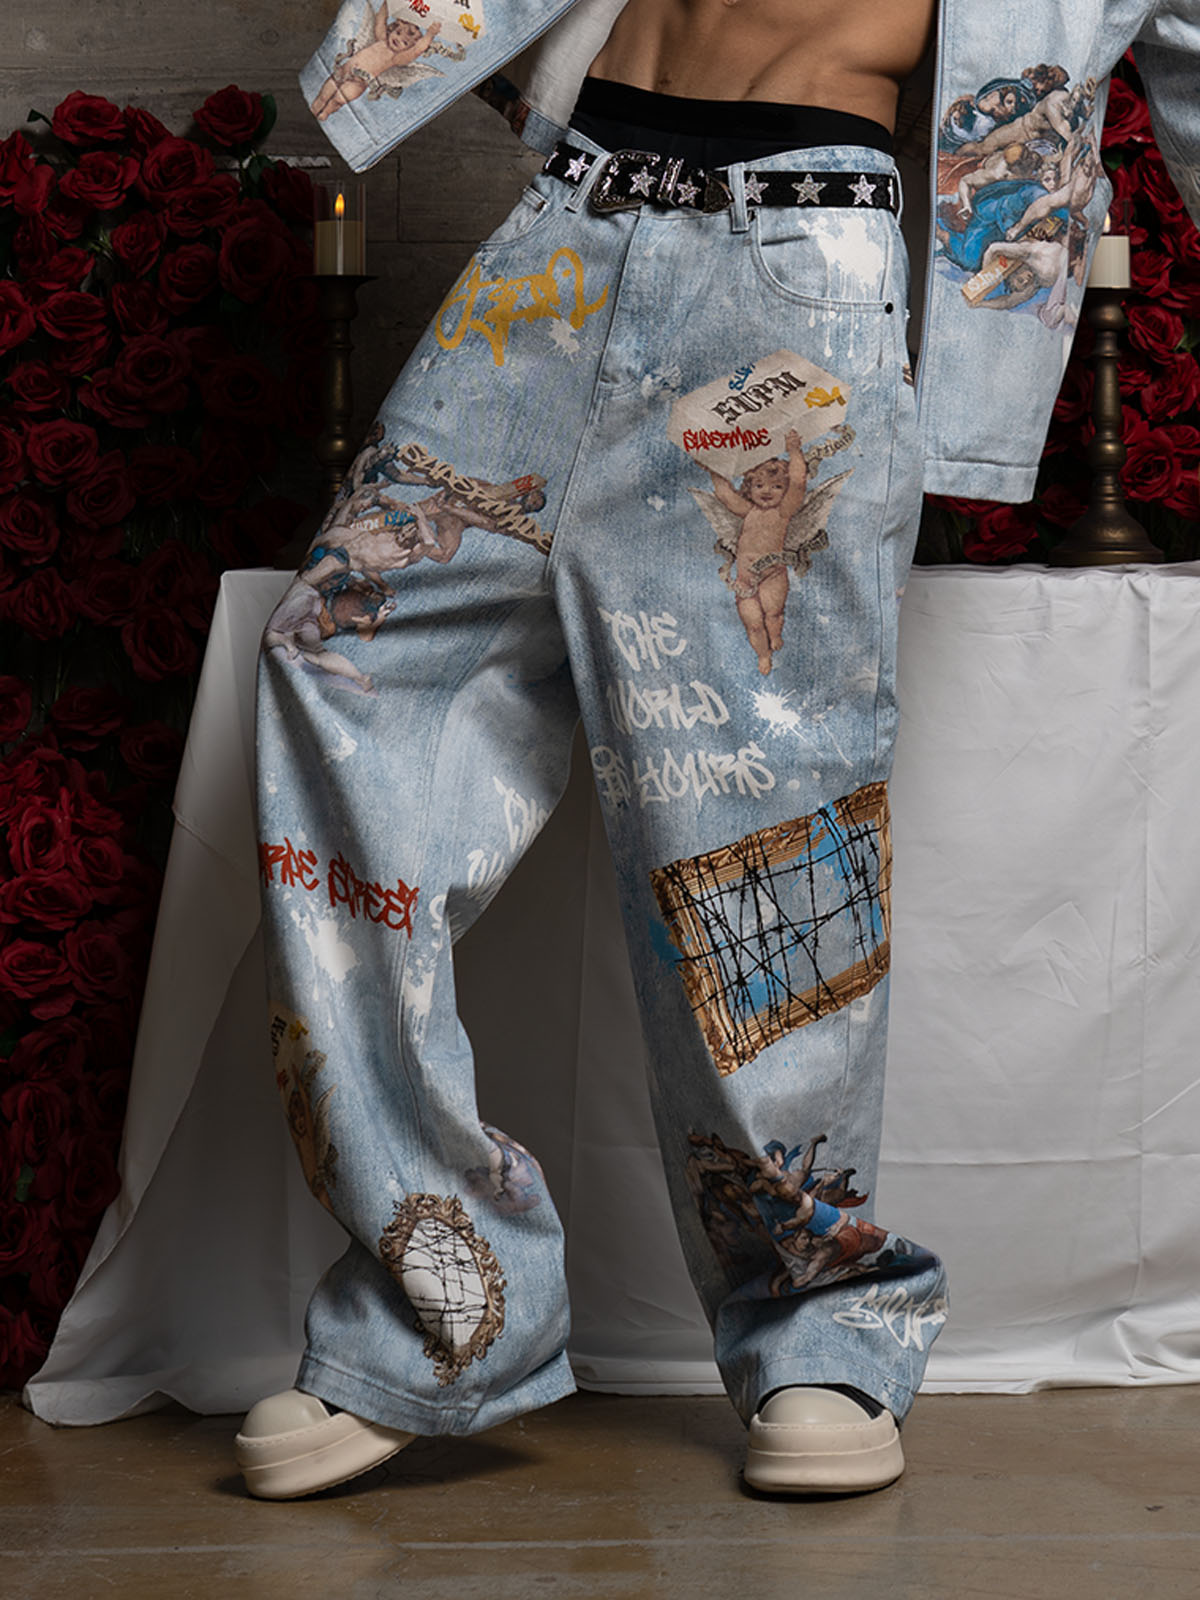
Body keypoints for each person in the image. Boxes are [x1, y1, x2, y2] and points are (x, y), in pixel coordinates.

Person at [238, 0, 1200, 1502]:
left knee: (755, 814)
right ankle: (451, 1296)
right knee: (337, 664)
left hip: (796, 268)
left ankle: (817, 1318)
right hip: (568, 228)